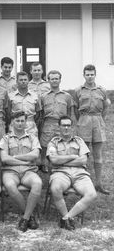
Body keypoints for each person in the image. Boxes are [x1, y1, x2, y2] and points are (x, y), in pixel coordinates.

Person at [47, 116, 97, 230]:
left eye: (68, 125)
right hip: (60, 173)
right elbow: (54, 160)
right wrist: (72, 157)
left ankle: (66, 218)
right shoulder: (53, 142)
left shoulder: (79, 141)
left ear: (72, 127)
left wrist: (62, 161)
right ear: (59, 127)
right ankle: (67, 218)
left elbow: (83, 160)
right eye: (63, 125)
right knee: (55, 188)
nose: (66, 128)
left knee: (92, 194)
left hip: (80, 174)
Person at [0, 111, 42, 232]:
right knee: (10, 186)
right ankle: (30, 216)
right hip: (10, 172)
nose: (20, 123)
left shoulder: (32, 137)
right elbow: (4, 158)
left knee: (37, 183)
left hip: (29, 171)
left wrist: (16, 157)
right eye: (17, 121)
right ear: (12, 122)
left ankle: (25, 218)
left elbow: (35, 155)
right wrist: (23, 161)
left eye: (23, 121)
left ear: (26, 122)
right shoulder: (6, 138)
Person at [74, 64, 110, 195]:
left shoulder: (101, 90)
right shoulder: (78, 90)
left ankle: (98, 183)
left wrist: (101, 119)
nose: (90, 77)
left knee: (98, 154)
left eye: (92, 74)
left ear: (95, 75)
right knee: (84, 154)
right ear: (84, 75)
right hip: (84, 120)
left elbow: (106, 106)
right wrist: (82, 120)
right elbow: (75, 108)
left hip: (98, 120)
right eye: (87, 74)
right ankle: (83, 183)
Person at [40, 70, 75, 173]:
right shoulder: (43, 96)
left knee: (62, 147)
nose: (54, 81)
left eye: (56, 78)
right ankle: (47, 171)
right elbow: (41, 114)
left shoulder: (67, 96)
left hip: (61, 125)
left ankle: (61, 171)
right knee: (46, 148)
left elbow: (69, 113)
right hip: (48, 125)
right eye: (52, 79)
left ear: (60, 80)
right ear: (48, 80)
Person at [8, 71, 41, 136]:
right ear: (17, 81)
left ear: (28, 81)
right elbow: (8, 113)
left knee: (33, 145)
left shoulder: (35, 96)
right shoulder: (10, 96)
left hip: (30, 127)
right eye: (21, 80)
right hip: (15, 125)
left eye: (25, 80)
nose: (23, 81)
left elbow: (39, 114)